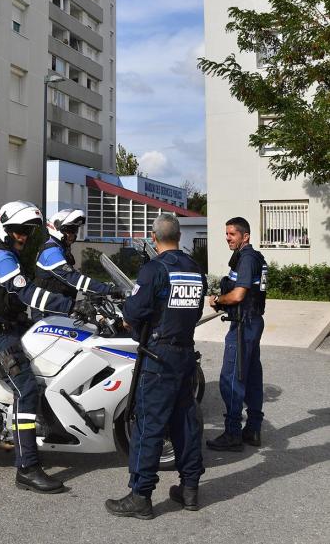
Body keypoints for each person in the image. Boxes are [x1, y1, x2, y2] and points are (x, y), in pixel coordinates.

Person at [0, 200, 83, 494]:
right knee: (27, 390)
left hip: (10, 324)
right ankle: (27, 468)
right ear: (4, 228)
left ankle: (36, 437)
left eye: (27, 231)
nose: (23, 236)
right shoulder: (0, 258)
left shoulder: (7, 254)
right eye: (18, 230)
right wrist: (72, 305)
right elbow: (26, 292)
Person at [106, 213, 207, 519]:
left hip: (158, 357)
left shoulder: (154, 269)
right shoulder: (194, 269)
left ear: (153, 237)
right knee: (185, 423)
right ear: (179, 236)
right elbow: (197, 308)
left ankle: (140, 497)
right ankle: (189, 489)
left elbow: (134, 311)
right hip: (185, 355)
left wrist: (131, 320)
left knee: (148, 426)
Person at [207, 216, 267, 451]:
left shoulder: (247, 259)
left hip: (244, 324)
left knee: (230, 378)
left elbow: (238, 295)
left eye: (232, 234)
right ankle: (252, 430)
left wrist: (218, 300)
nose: (227, 238)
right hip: (252, 322)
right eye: (227, 233)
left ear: (245, 236)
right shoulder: (253, 257)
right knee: (251, 377)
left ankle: (233, 434)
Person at [35, 208, 115, 299]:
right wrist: (109, 289)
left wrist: (98, 286)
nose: (72, 235)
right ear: (57, 228)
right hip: (48, 311)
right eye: (70, 230)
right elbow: (72, 278)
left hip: (60, 307)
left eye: (75, 230)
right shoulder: (51, 252)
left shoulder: (61, 249)